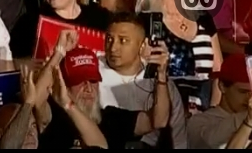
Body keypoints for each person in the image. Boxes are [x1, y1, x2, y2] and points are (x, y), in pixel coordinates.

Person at [135, 0, 224, 110]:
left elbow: (218, 70)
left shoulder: (202, 16)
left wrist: (214, 111)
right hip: (164, 108)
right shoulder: (146, 21)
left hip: (203, 111)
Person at [38, 45, 170, 149]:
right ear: (64, 86)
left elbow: (158, 121)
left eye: (93, 80)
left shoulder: (112, 119)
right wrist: (59, 53)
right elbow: (35, 100)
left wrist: (162, 75)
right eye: (80, 81)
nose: (89, 89)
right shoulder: (54, 118)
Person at [98, 12, 186, 148]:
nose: (113, 48)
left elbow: (178, 139)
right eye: (109, 39)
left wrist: (161, 76)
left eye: (123, 40)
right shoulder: (92, 74)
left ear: (143, 44)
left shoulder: (161, 84)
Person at [187, 54, 252, 149]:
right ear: (222, 86)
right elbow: (209, 141)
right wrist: (248, 118)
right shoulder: (199, 122)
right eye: (243, 92)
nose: (250, 99)